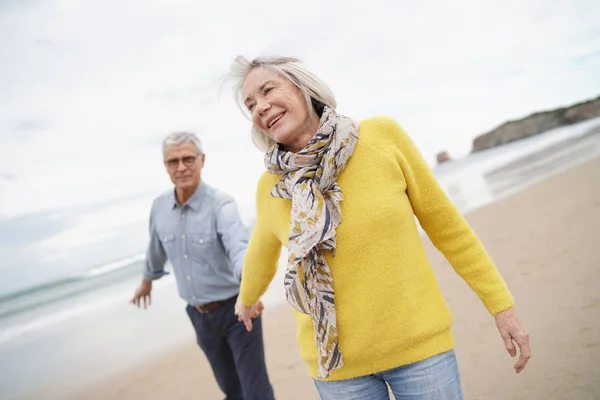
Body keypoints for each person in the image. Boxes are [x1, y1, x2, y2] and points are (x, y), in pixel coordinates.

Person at [229, 56, 531, 400]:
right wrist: (246, 299)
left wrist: (501, 308)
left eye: (268, 90)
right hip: (337, 370)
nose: (261, 107)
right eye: (250, 104)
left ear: (302, 87)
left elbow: (449, 230)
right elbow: (260, 252)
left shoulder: (381, 137)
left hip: (420, 352)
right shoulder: (271, 186)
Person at [129, 131, 275, 400]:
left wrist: (250, 291)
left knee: (256, 391)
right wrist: (146, 283)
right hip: (199, 316)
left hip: (238, 309)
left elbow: (238, 247)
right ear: (166, 166)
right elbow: (155, 249)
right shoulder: (159, 208)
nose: (181, 167)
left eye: (188, 159)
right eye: (173, 162)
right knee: (231, 390)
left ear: (202, 160)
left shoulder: (221, 205)